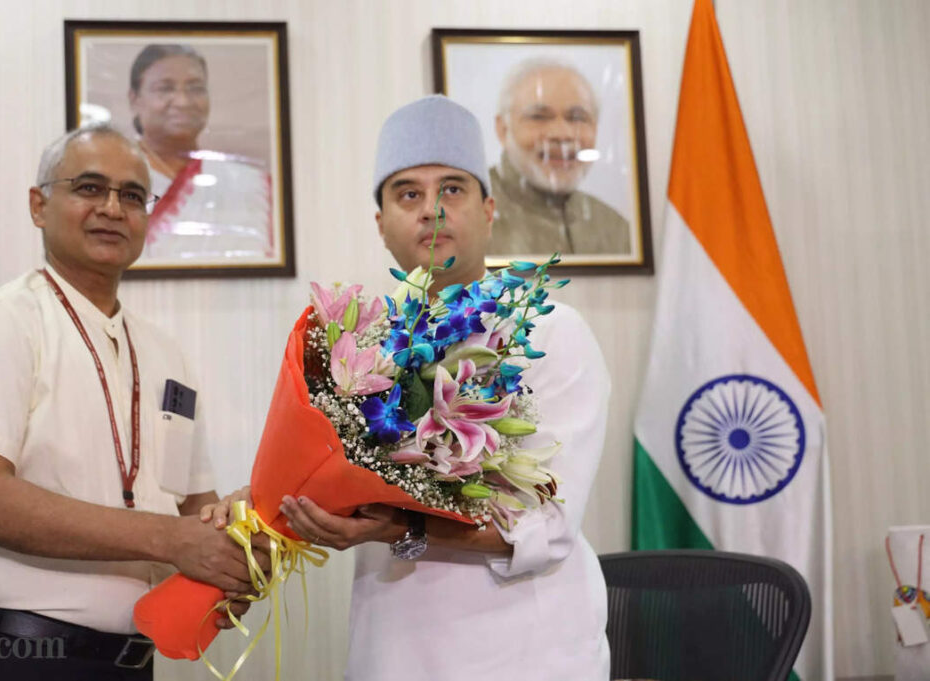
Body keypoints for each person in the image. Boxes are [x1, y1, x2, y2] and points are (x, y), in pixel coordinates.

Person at [279, 95, 612, 681]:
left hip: (525, 652)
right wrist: (244, 507)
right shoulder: (359, 349)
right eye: (408, 193)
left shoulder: (552, 333)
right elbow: (311, 467)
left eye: (452, 189)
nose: (432, 209)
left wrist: (403, 526)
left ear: (488, 209)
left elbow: (546, 527)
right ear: (380, 223)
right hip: (392, 647)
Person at [0, 124, 268, 680]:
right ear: (39, 205)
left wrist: (234, 555)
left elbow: (194, 511)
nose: (112, 208)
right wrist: (173, 540)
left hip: (131, 663)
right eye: (88, 187)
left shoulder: (166, 353)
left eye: (132, 195)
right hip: (13, 657)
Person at [127, 44, 273, 264]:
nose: (183, 101)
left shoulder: (248, 184)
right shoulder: (118, 174)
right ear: (134, 99)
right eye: (165, 88)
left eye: (195, 88)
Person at [488, 58, 631, 256]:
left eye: (578, 118)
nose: (562, 134)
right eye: (539, 117)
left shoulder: (616, 229)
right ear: (503, 129)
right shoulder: (467, 220)